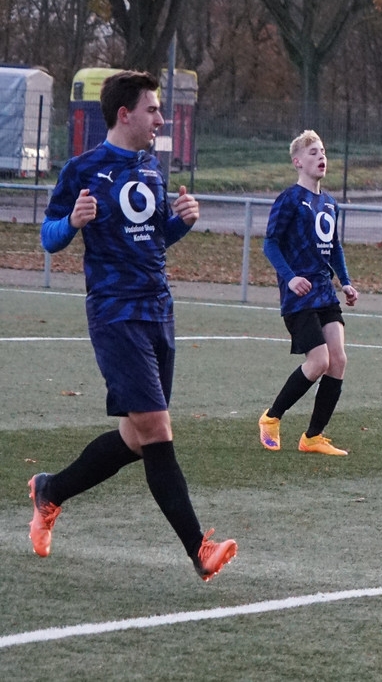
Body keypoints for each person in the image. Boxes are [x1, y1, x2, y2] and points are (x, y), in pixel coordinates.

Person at [31, 70, 237, 581]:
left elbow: (153, 237)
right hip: (115, 313)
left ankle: (50, 490)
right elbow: (48, 237)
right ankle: (199, 550)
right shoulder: (82, 169)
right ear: (125, 115)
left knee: (136, 438)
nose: (161, 119)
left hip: (158, 310)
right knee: (158, 431)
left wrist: (181, 221)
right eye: (153, 109)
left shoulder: (150, 167)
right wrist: (72, 222)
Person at [258, 130, 358, 457]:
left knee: (337, 360)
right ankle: (271, 418)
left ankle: (313, 437)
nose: (321, 157)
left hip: (325, 294)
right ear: (298, 162)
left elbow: (334, 247)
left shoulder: (329, 203)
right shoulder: (289, 199)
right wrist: (289, 278)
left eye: (323, 151)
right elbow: (270, 243)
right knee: (318, 362)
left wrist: (345, 281)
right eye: (313, 152)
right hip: (299, 297)